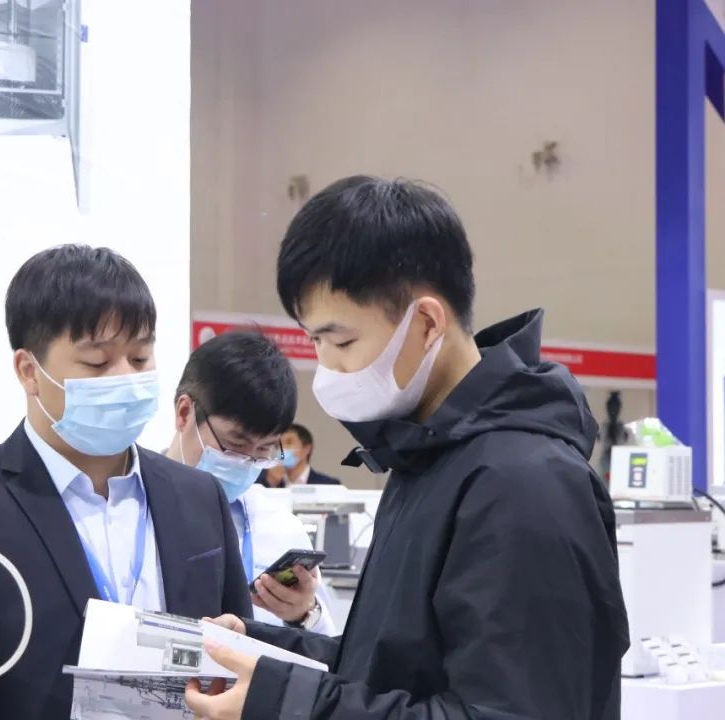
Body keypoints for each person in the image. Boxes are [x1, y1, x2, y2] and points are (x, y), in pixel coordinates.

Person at [185, 176, 628, 720]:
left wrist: (285, 703)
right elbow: (389, 670)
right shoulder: (428, 460)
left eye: (341, 341)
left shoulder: (524, 484)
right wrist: (259, 650)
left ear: (425, 322)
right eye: (316, 342)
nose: (327, 368)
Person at [0, 245, 252, 719]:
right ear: (29, 371)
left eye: (140, 357)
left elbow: (240, 657)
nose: (125, 378)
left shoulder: (199, 496)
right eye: (97, 363)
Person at [165, 330, 338, 635]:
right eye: (235, 444)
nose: (246, 462)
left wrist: (304, 614)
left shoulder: (279, 528)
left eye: (264, 450)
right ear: (184, 413)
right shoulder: (128, 506)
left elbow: (326, 646)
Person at [256, 423, 343, 488]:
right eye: (278, 445)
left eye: (289, 442)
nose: (282, 449)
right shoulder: (262, 481)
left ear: (306, 449)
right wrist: (269, 484)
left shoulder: (329, 485)